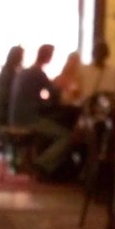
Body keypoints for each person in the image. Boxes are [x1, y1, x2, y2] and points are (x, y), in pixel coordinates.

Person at [10, 44, 75, 181]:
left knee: (51, 128)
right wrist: (61, 85)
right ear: (48, 57)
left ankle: (42, 166)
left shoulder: (25, 72)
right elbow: (53, 93)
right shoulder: (38, 73)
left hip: (15, 118)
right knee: (66, 136)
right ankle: (41, 164)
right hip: (28, 119)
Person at [0, 45, 24, 126]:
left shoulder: (7, 71)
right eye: (21, 56)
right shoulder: (10, 73)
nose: (22, 58)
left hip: (1, 113)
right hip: (4, 114)